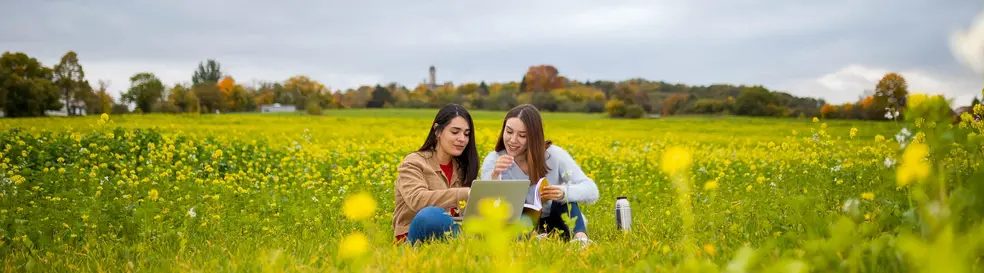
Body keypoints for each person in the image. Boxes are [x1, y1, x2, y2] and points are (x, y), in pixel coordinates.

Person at [481, 104, 599, 244]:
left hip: (559, 221)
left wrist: (563, 192)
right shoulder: (494, 160)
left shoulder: (554, 155)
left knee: (565, 199)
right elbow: (488, 206)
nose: (513, 140)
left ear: (534, 137)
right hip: (520, 224)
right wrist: (495, 176)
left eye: (522, 135)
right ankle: (535, 240)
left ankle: (581, 241)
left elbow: (592, 191)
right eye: (509, 132)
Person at [393, 104, 479, 245]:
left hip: (452, 233)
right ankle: (469, 246)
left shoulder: (463, 169)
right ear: (437, 131)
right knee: (431, 216)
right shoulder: (413, 163)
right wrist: (465, 193)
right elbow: (418, 200)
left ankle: (470, 246)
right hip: (415, 237)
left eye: (466, 134)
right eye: (455, 132)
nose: (462, 139)